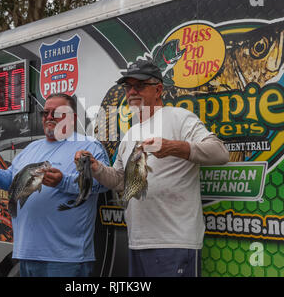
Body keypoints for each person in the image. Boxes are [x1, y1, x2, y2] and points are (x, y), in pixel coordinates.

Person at [75, 60, 229, 277]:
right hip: (137, 241)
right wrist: (97, 168)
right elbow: (120, 180)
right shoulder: (130, 134)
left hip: (175, 241)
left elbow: (220, 152)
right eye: (128, 87)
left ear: (158, 89)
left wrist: (173, 147)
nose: (132, 91)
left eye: (139, 85)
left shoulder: (180, 117)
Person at [0, 93, 109, 277]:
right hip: (26, 254)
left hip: (67, 259)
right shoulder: (31, 148)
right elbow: (13, 181)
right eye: (45, 113)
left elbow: (103, 185)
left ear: (73, 117)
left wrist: (63, 182)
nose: (49, 117)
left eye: (57, 112)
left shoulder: (89, 146)